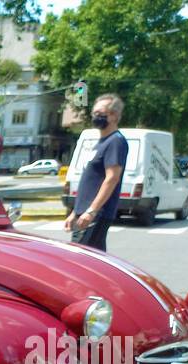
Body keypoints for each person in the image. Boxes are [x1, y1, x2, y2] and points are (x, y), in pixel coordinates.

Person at [66, 93, 128, 251]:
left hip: (96, 213)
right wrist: (76, 211)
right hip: (84, 211)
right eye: (94, 113)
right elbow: (91, 181)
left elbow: (111, 178)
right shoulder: (101, 142)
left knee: (81, 260)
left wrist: (91, 211)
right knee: (93, 262)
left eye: (100, 113)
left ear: (114, 116)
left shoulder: (116, 142)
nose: (95, 117)